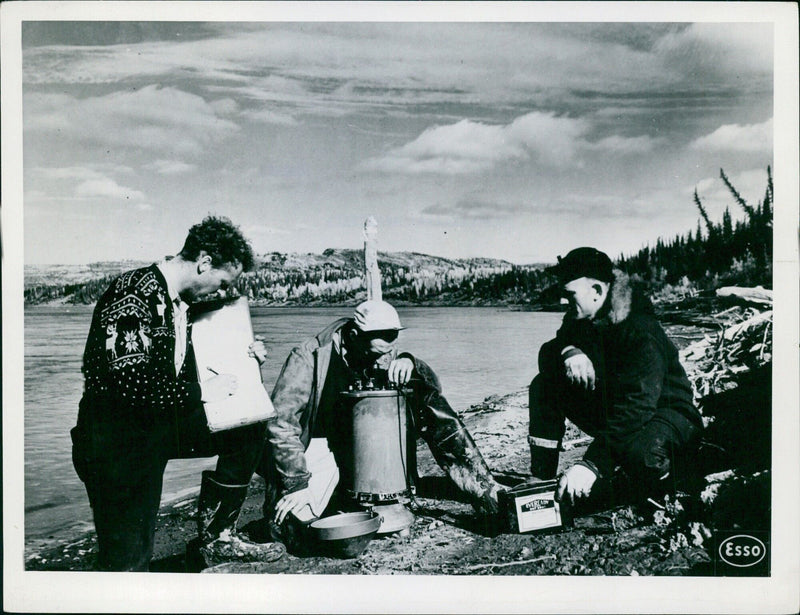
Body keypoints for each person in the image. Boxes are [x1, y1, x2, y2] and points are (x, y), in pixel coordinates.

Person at [70, 216, 284, 571]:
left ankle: (218, 538)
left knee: (248, 426)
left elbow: (188, 361)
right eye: (221, 282)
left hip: (156, 428)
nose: (220, 292)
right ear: (204, 262)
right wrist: (203, 392)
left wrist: (245, 354)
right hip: (114, 445)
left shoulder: (178, 303)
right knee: (129, 561)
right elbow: (132, 385)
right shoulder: (134, 292)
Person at [259, 299, 501, 546]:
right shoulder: (309, 357)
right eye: (379, 351)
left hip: (363, 449)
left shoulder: (383, 348)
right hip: (318, 447)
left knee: (427, 401)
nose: (385, 356)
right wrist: (296, 483)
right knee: (290, 529)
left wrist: (410, 362)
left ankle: (484, 490)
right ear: (354, 336)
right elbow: (281, 424)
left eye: (393, 346)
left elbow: (433, 390)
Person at [528, 247, 703, 508]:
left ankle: (679, 475)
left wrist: (592, 463)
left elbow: (638, 407)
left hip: (665, 414)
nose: (564, 302)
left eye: (570, 295)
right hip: (621, 408)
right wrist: (570, 351)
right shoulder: (581, 317)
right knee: (544, 386)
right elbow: (549, 354)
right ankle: (541, 477)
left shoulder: (639, 329)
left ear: (597, 291)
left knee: (645, 460)